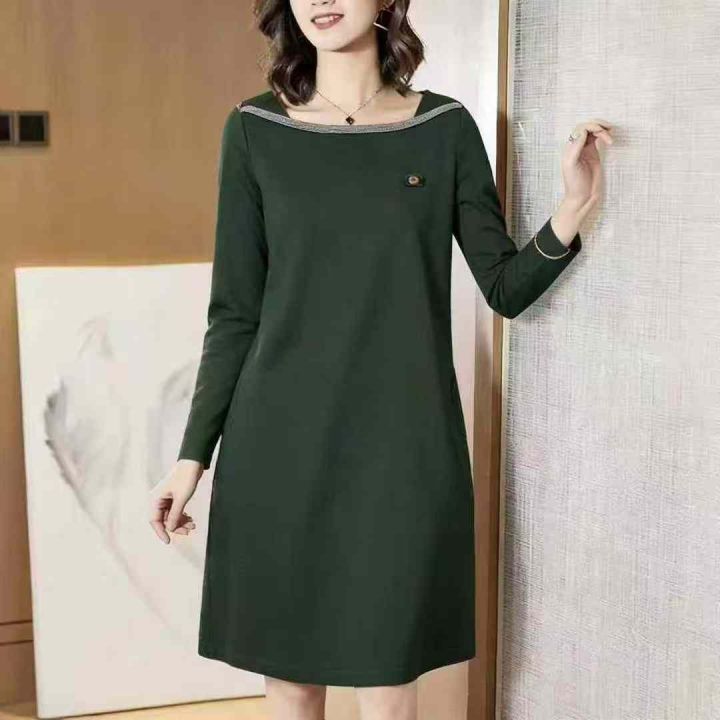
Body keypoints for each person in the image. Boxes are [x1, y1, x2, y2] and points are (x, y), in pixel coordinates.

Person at [149, 0, 613, 718]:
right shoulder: (253, 130)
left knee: (389, 685)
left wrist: (573, 208)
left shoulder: (444, 128)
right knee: (292, 684)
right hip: (279, 449)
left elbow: (505, 288)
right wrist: (191, 460)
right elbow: (235, 314)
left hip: (402, 451)